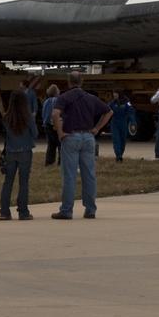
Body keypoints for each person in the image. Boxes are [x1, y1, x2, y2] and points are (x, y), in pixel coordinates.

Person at [50, 73, 113, 220]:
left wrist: (60, 132)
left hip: (71, 136)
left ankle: (66, 210)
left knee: (69, 175)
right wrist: (97, 128)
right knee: (89, 174)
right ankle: (90, 209)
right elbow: (109, 111)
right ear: (82, 81)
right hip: (88, 137)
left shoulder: (64, 97)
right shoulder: (91, 98)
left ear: (69, 82)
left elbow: (55, 114)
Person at [0, 89, 37, 220]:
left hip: (10, 151)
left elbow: (5, 135)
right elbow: (35, 133)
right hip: (25, 150)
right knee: (24, 182)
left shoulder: (6, 117)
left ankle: (4, 211)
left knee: (8, 182)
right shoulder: (28, 117)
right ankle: (23, 211)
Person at [108, 91, 134, 161]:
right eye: (114, 94)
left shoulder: (127, 102)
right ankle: (118, 155)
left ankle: (120, 154)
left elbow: (131, 112)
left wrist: (133, 122)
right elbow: (106, 109)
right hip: (114, 123)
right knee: (116, 140)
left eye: (116, 94)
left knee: (123, 140)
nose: (114, 95)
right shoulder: (112, 103)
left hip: (123, 123)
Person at [41, 84, 61, 166]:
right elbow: (54, 113)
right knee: (60, 144)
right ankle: (61, 162)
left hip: (46, 125)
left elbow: (43, 114)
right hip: (54, 125)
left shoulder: (46, 101)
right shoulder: (56, 100)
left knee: (51, 145)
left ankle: (49, 162)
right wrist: (55, 125)